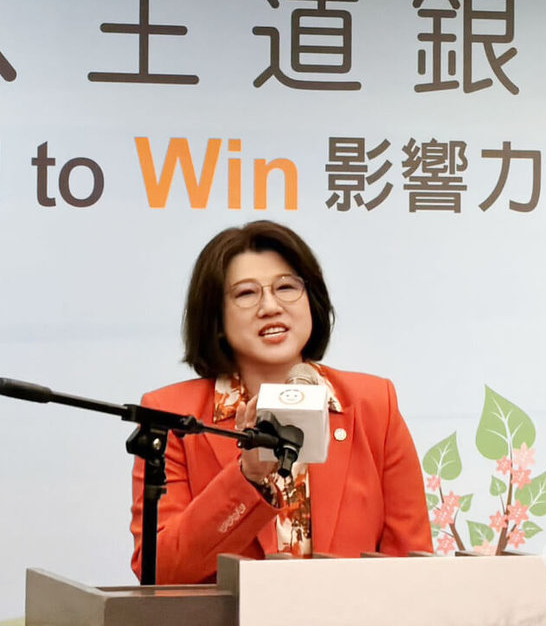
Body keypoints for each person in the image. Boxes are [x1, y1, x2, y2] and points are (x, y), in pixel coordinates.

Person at [131, 220, 432, 584]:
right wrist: (247, 477)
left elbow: (413, 568)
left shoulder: (374, 406)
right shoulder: (172, 416)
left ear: (311, 301)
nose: (270, 306)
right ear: (216, 319)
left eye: (286, 287)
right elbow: (160, 571)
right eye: (246, 294)